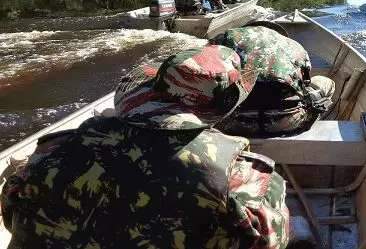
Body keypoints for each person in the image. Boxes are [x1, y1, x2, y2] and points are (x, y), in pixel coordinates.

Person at [0, 45, 291, 248]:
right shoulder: (240, 176)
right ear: (223, 106)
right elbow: (269, 241)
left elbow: (12, 216)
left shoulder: (49, 152)